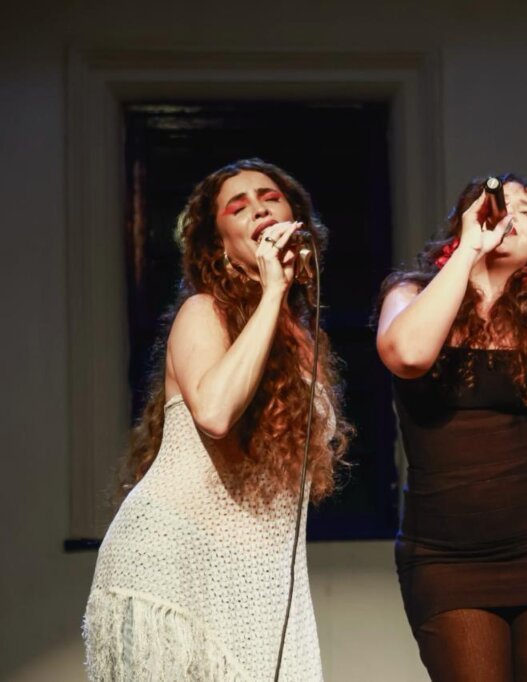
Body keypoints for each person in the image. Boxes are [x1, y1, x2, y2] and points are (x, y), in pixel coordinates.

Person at [83, 159, 350, 681]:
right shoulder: (203, 312)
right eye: (238, 206)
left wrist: (277, 302)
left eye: (270, 197)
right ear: (221, 246)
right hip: (175, 561)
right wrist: (272, 292)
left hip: (259, 573)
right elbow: (215, 413)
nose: (259, 210)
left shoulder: (301, 337)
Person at [375, 163, 527, 681]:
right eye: (501, 205)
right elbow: (407, 354)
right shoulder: (410, 292)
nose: (511, 216)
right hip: (445, 557)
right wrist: (470, 253)